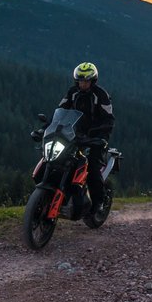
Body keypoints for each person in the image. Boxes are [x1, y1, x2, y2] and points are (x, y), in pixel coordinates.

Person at [57, 62, 114, 215]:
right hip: (74, 135)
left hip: (96, 137)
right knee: (57, 159)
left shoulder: (101, 95)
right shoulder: (72, 92)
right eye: (80, 80)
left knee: (92, 167)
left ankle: (99, 202)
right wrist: (48, 127)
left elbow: (109, 119)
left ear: (92, 81)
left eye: (86, 80)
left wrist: (99, 137)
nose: (82, 83)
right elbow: (61, 110)